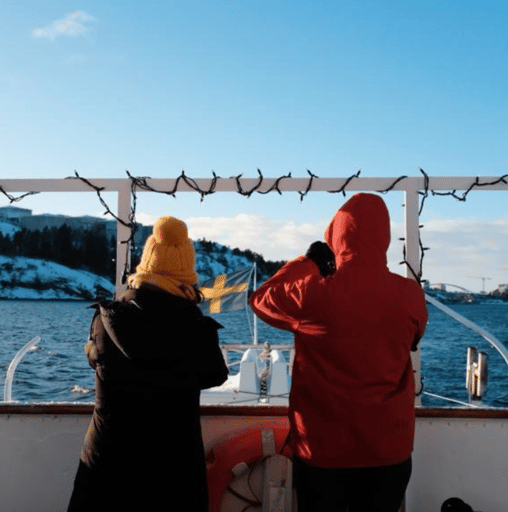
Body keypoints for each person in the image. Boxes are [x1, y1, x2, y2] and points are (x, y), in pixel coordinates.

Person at [249, 193, 428, 512]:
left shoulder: (313, 295)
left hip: (322, 454)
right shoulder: (409, 295)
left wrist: (309, 263)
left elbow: (261, 299)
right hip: (388, 453)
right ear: (384, 237)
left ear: (336, 237)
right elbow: (414, 336)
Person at [67, 215, 229, 512]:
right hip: (172, 475)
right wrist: (191, 312)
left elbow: (94, 357)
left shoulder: (105, 321)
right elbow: (216, 374)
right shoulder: (196, 330)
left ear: (146, 266)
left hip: (107, 468)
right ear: (185, 278)